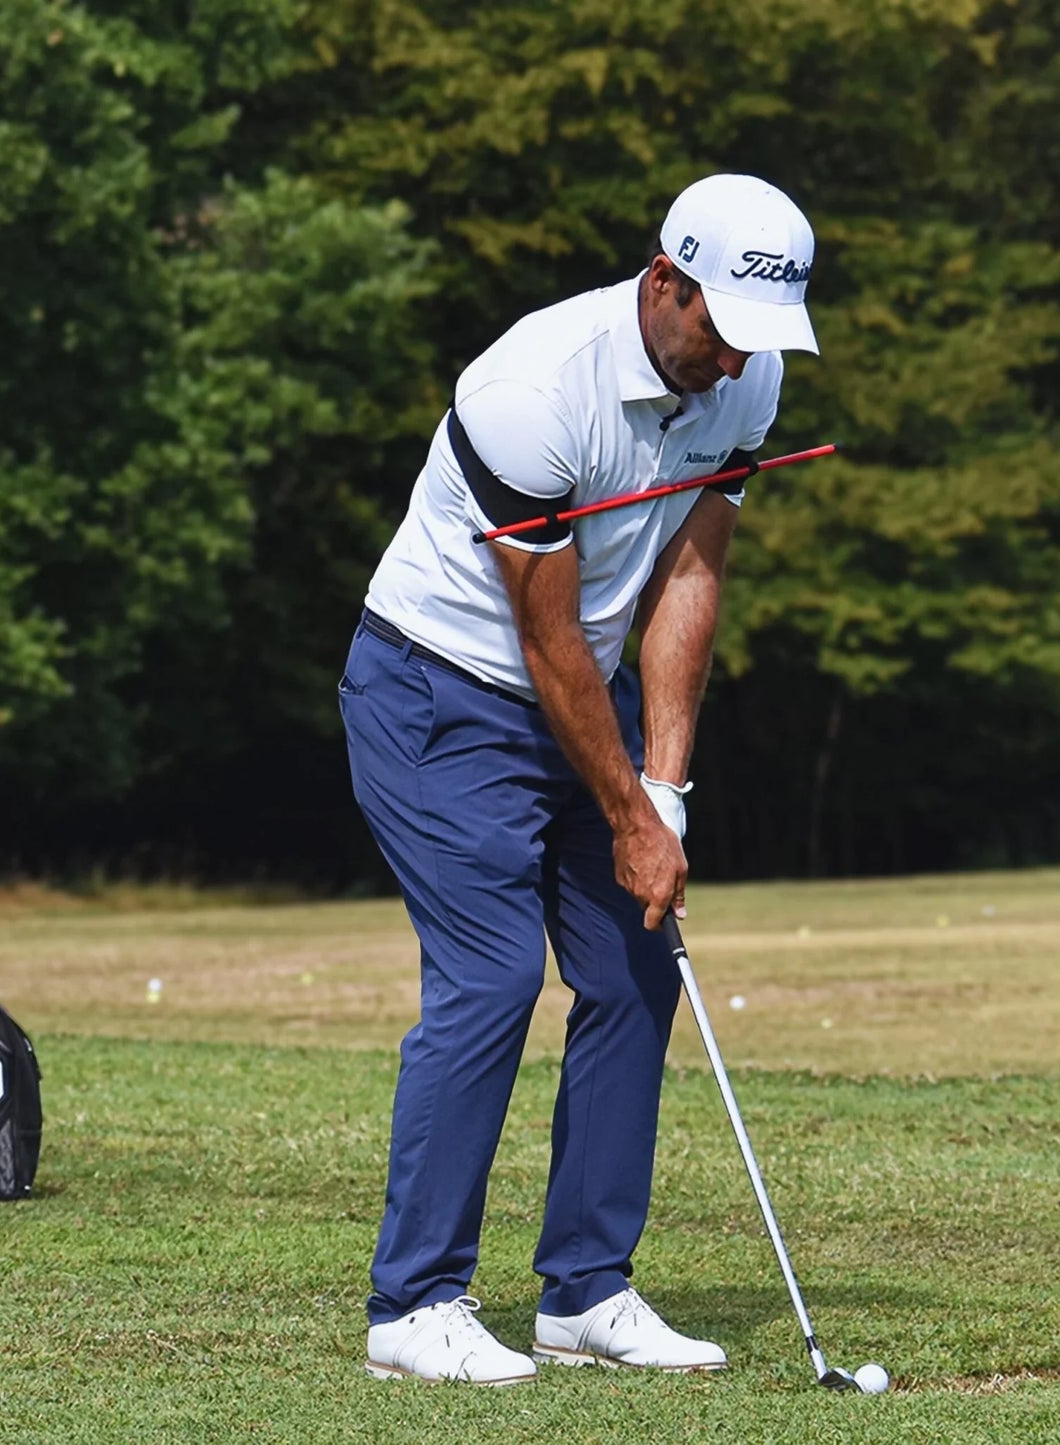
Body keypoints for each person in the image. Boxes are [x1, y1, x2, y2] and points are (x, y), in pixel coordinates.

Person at [338, 173, 819, 1385]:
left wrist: (665, 792)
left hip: (576, 692)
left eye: (757, 341)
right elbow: (547, 637)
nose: (734, 361)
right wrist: (623, 808)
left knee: (633, 965)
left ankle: (585, 1293)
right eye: (719, 328)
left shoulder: (744, 376)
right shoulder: (529, 391)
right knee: (493, 973)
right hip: (434, 686)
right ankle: (413, 1304)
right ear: (665, 282)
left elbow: (687, 580)